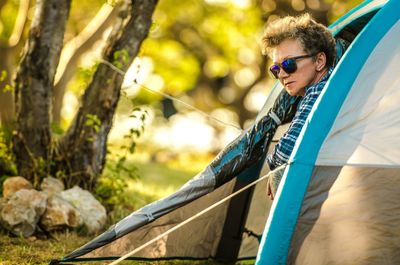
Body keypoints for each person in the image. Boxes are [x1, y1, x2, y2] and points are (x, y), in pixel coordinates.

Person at [261, 14, 336, 200]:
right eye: (276, 69)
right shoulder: (324, 86)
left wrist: (272, 165)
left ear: (319, 61)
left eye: (289, 63)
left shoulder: (320, 91)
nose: (282, 75)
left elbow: (285, 153)